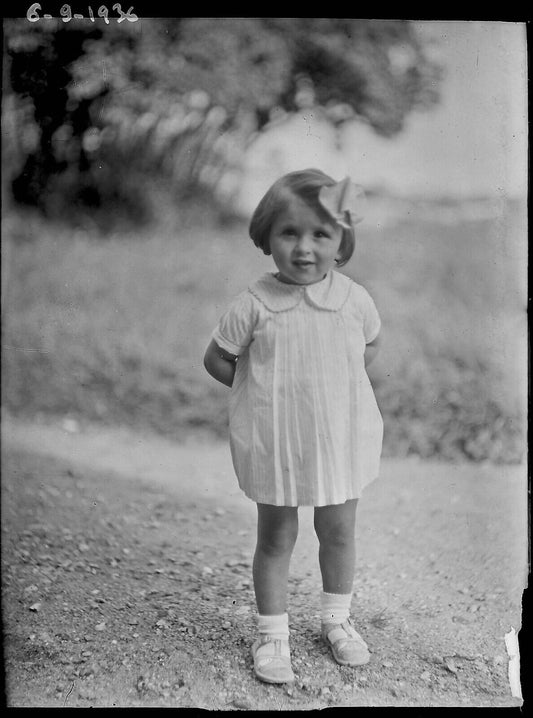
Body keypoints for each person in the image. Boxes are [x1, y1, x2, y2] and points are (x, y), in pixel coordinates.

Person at [203, 168, 383, 684]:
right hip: (277, 439)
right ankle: (273, 633)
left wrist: (339, 390)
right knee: (277, 535)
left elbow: (371, 346)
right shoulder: (255, 304)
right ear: (267, 237)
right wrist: (258, 394)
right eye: (289, 233)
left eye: (320, 235)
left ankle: (337, 621)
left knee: (338, 530)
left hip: (338, 439)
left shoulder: (353, 299)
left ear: (341, 241)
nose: (304, 248)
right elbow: (217, 359)